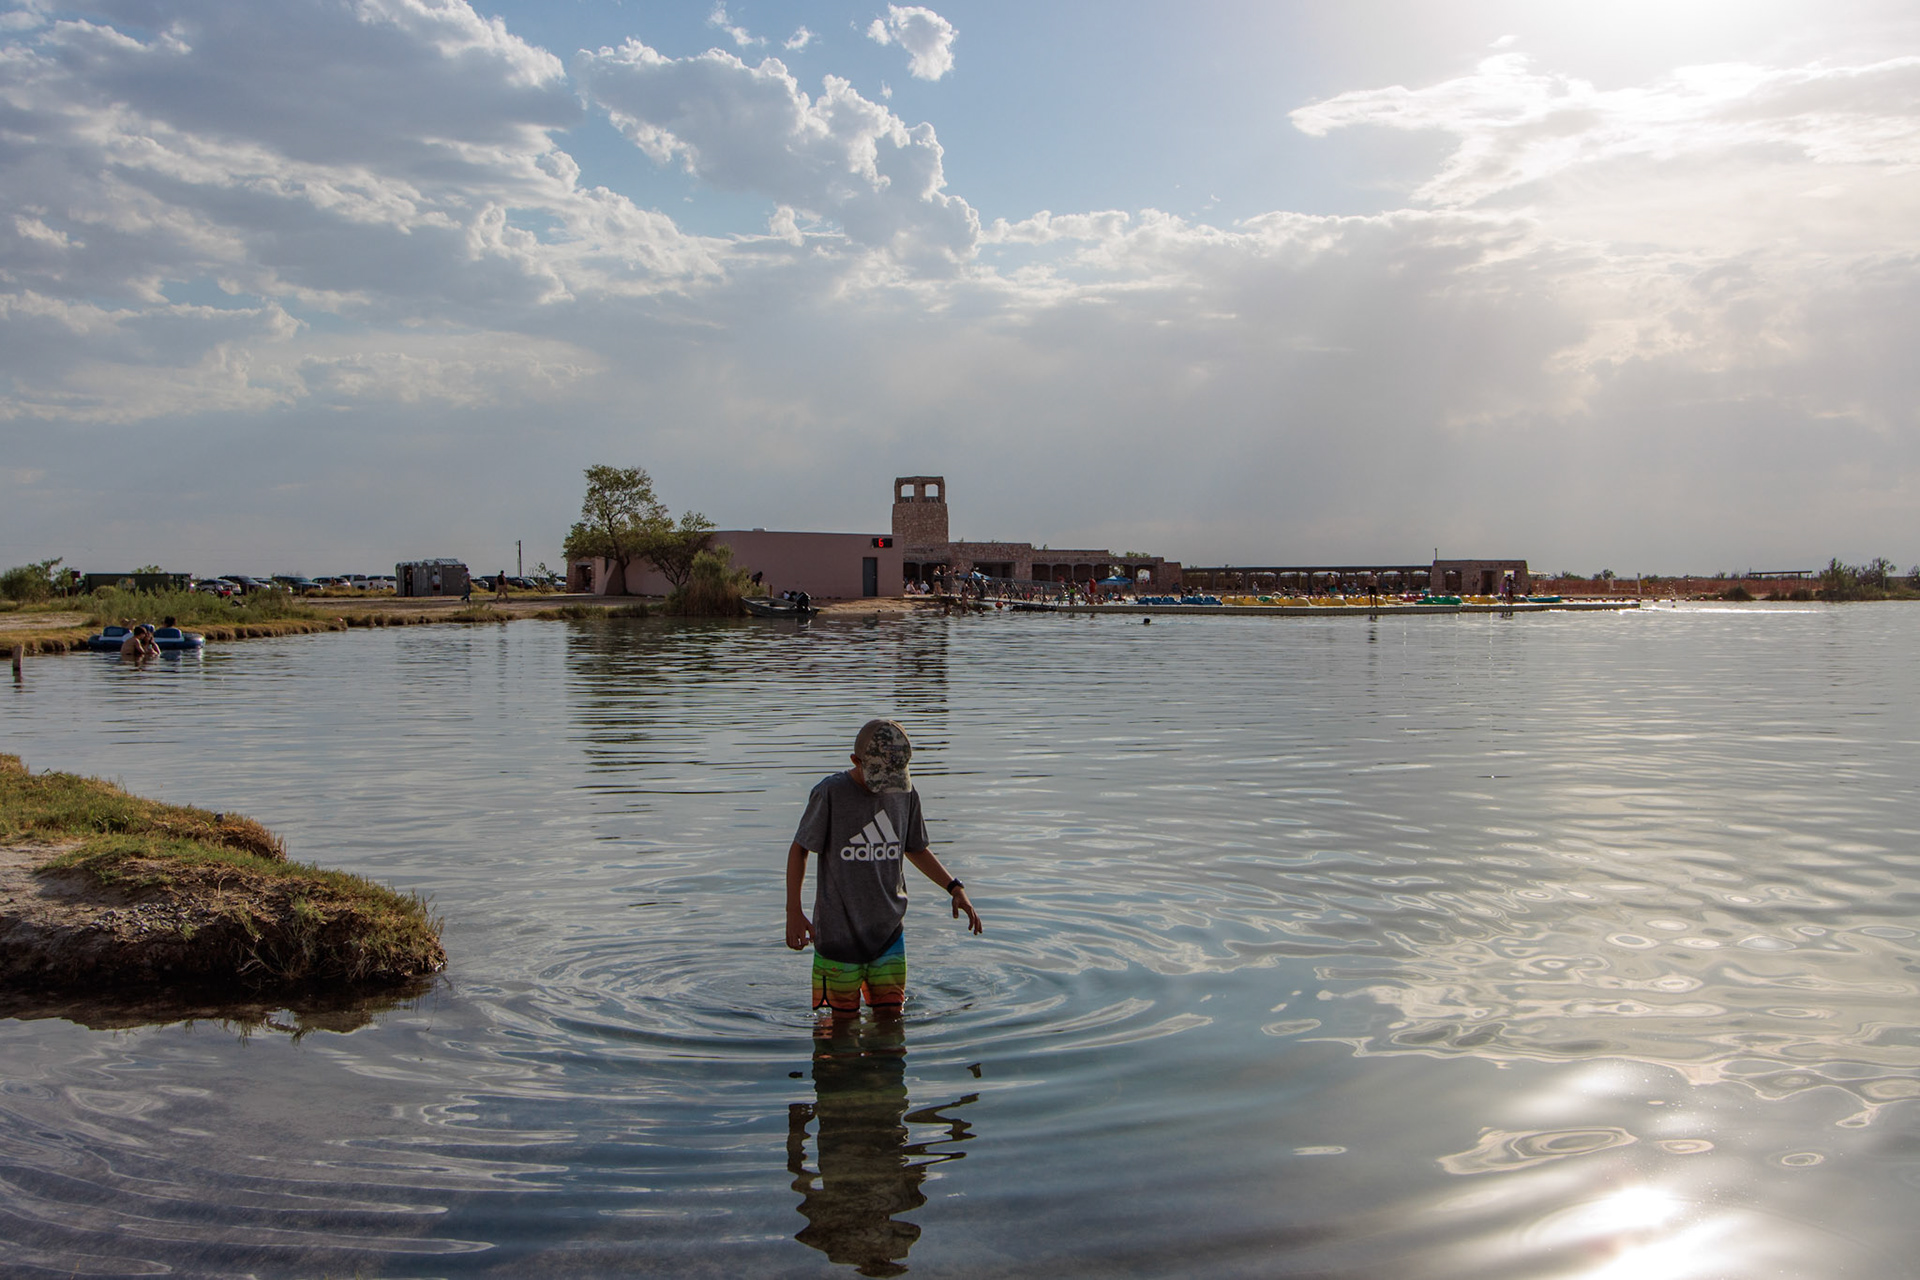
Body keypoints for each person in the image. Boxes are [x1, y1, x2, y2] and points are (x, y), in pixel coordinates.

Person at [785, 720, 982, 1019]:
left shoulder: (905, 793)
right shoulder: (830, 794)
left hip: (888, 933)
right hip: (838, 938)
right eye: (878, 775)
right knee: (838, 1033)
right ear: (855, 761)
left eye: (894, 775)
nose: (886, 784)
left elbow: (914, 847)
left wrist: (955, 888)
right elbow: (800, 849)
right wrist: (793, 913)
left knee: (892, 1022)